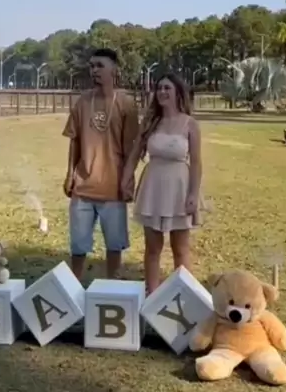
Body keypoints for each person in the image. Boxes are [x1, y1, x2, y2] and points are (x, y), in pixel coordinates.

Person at [121, 72, 202, 294]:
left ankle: (183, 295)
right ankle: (152, 294)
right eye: (159, 88)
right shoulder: (151, 122)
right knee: (152, 248)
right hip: (153, 188)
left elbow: (196, 163)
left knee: (180, 248)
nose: (162, 92)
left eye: (167, 88)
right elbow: (135, 154)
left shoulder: (190, 124)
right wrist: (126, 178)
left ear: (178, 93)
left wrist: (193, 194)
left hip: (179, 188)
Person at [63, 48, 140, 281]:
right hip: (83, 187)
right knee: (78, 246)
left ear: (114, 70)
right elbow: (75, 141)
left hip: (113, 189)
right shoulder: (82, 102)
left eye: (100, 66)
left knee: (114, 245)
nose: (94, 70)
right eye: (92, 66)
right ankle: (74, 287)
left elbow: (131, 148)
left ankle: (111, 287)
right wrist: (69, 174)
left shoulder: (126, 103)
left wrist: (127, 180)